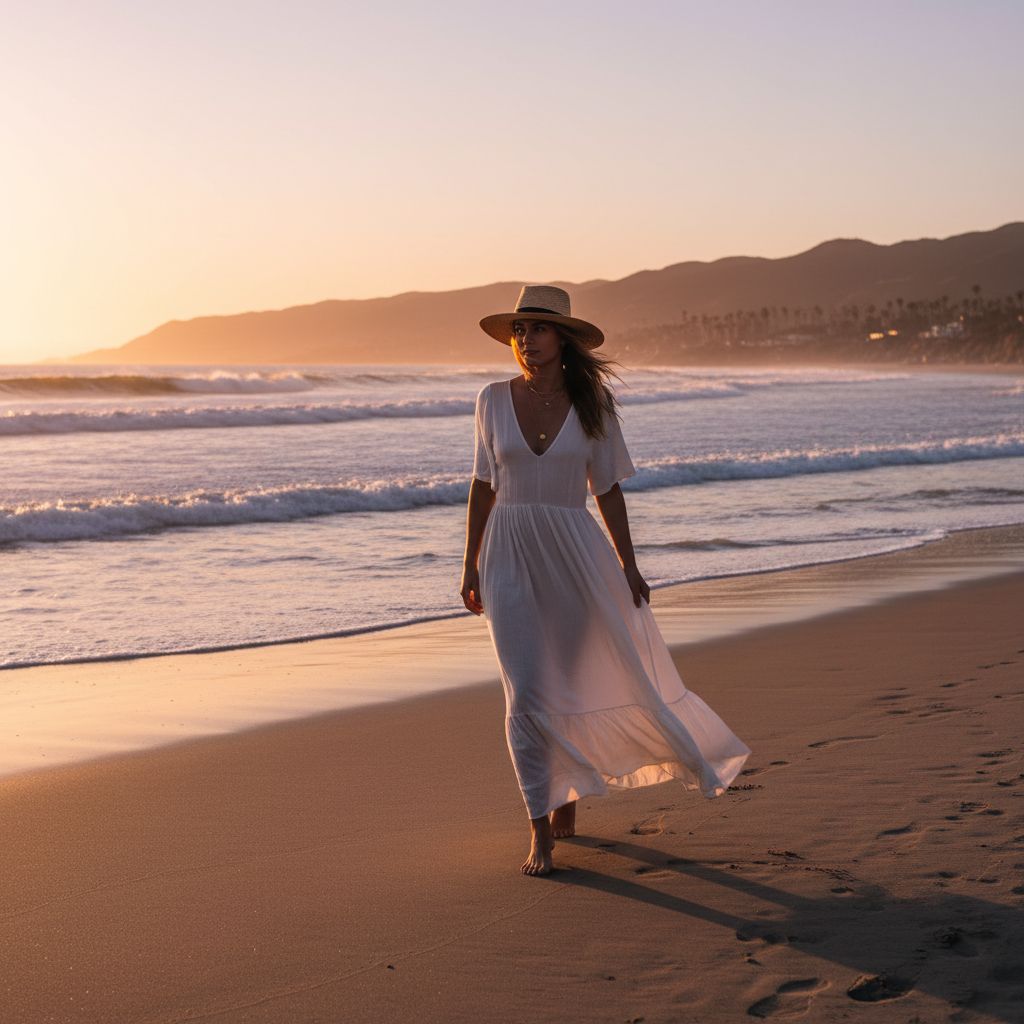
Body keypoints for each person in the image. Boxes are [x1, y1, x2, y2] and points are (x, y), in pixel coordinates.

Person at [461, 284, 751, 876]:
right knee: (526, 693)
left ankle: (566, 793)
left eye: (537, 329)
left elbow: (607, 490)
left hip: (574, 554)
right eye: (519, 329)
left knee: (566, 681)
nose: (525, 339)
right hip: (509, 555)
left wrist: (629, 564)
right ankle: (540, 830)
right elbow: (483, 486)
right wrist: (468, 564)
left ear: (562, 338)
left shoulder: (594, 408)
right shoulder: (491, 399)